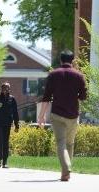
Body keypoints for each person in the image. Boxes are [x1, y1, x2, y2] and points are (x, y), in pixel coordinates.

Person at [37, 49, 87, 182]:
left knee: (61, 143)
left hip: (57, 114)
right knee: (70, 143)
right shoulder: (79, 75)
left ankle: (66, 168)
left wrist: (41, 116)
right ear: (72, 60)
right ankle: (66, 173)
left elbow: (46, 97)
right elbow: (83, 97)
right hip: (73, 115)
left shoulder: (53, 75)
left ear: (60, 60)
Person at [0, 82, 19, 169]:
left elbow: (15, 112)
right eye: (4, 88)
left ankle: (5, 162)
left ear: (9, 89)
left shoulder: (12, 99)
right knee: (0, 140)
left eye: (7, 88)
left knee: (6, 142)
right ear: (1, 89)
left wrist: (17, 124)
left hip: (8, 123)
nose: (6, 89)